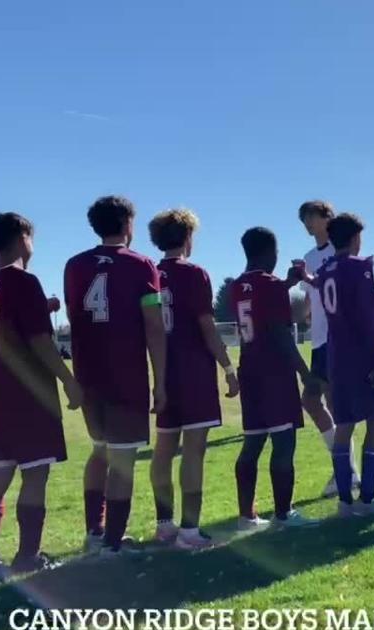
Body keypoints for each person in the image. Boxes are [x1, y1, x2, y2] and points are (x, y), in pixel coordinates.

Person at [0, 212, 82, 576]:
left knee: (0, 472)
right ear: (22, 238)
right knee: (35, 475)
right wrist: (68, 379)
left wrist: (42, 309)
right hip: (29, 393)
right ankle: (28, 555)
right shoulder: (24, 281)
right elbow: (40, 342)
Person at [63, 195, 167, 555]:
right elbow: (154, 327)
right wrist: (161, 381)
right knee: (122, 460)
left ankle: (95, 531)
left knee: (100, 452)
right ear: (127, 224)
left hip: (89, 374)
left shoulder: (74, 266)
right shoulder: (142, 265)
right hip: (126, 374)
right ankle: (112, 543)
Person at [149, 208, 240, 550]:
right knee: (193, 452)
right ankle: (189, 531)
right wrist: (228, 368)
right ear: (188, 236)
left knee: (164, 450)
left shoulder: (152, 272)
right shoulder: (195, 273)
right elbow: (206, 327)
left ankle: (164, 524)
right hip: (194, 372)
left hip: (163, 370)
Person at [231, 227, 318, 528]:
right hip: (275, 373)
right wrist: (307, 375)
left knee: (252, 443)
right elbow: (280, 333)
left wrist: (286, 284)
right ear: (271, 252)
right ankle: (284, 513)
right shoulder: (271, 286)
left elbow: (259, 308)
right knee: (283, 444)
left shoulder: (237, 286)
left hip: (249, 370)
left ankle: (246, 515)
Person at [314, 213, 374, 516]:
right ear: (354, 238)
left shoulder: (325, 271)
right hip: (362, 358)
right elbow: (368, 320)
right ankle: (367, 499)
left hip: (336, 357)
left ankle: (344, 502)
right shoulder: (360, 268)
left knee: (345, 425)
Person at [293, 200, 357, 498]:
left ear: (326, 218)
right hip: (318, 339)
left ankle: (346, 470)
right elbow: (308, 300)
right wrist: (300, 316)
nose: (308, 223)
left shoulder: (339, 250)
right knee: (310, 401)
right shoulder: (308, 257)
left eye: (312, 217)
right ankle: (344, 465)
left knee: (334, 404)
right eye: (304, 219)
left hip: (337, 339)